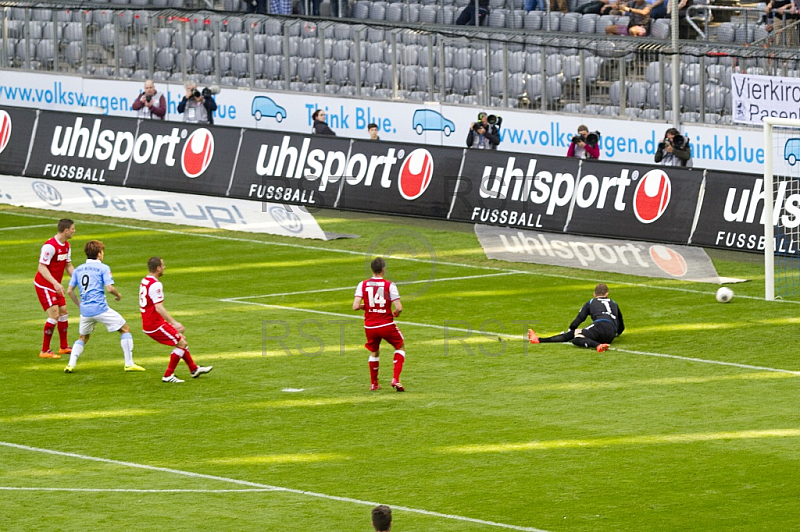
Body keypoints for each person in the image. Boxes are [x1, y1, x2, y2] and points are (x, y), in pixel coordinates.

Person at [64, 241, 144, 373]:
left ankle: (70, 364)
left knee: (83, 337)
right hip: (100, 308)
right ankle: (129, 363)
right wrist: (118, 294)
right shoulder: (103, 268)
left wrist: (79, 305)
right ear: (99, 254)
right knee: (125, 329)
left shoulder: (78, 269)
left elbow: (69, 291)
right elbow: (109, 287)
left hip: (85, 311)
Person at [140, 257, 212, 384]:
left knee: (182, 340)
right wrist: (174, 322)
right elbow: (158, 307)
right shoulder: (155, 284)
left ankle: (194, 369)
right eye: (163, 265)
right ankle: (168, 375)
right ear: (158, 268)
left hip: (151, 322)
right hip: (154, 324)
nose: (164, 267)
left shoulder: (145, 280)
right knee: (181, 343)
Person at [353, 257, 406, 392]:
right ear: (383, 269)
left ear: (372, 269)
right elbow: (399, 307)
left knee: (374, 352)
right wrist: (396, 312)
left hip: (370, 327)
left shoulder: (362, 284)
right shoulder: (390, 285)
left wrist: (368, 307)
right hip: (386, 324)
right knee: (400, 346)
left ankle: (374, 384)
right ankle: (395, 379)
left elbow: (355, 306)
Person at [528, 283, 624, 353]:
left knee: (576, 338)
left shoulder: (591, 302)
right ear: (607, 294)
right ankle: (539, 340)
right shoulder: (614, 303)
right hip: (611, 333)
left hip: (600, 325)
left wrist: (571, 330)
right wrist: (616, 334)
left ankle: (598, 346)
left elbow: (579, 319)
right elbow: (621, 326)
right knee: (580, 333)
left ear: (594, 294)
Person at [34, 218, 76, 359]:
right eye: (72, 229)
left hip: (55, 285)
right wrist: (55, 283)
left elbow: (68, 265)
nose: (74, 231)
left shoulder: (66, 245)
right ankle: (45, 350)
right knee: (54, 315)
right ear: (66, 231)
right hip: (45, 284)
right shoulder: (50, 246)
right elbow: (41, 267)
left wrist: (78, 279)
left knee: (64, 312)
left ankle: (63, 347)